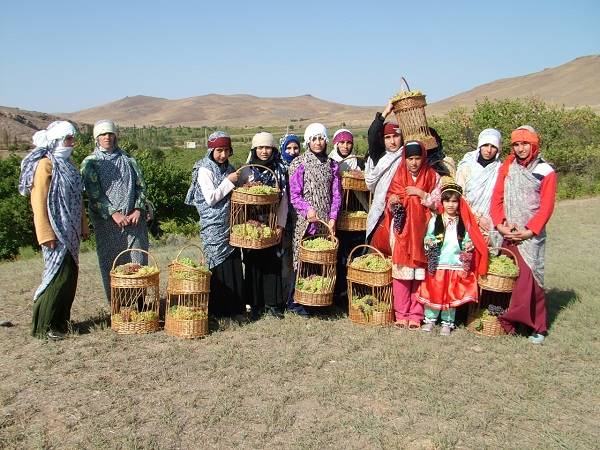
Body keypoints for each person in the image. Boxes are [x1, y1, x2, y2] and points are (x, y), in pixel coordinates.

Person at [19, 121, 88, 340]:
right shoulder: (45, 166)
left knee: (69, 276)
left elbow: (78, 198)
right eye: (69, 139)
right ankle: (44, 325)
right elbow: (38, 202)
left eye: (72, 139)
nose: (72, 143)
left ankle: (60, 322)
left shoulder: (69, 165)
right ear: (57, 141)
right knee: (56, 277)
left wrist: (83, 224)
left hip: (71, 230)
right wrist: (45, 233)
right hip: (56, 231)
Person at [490, 125, 557, 344]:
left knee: (532, 281)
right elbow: (497, 198)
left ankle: (538, 326)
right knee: (509, 278)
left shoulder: (546, 171)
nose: (520, 149)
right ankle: (512, 321)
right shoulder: (507, 167)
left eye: (525, 144)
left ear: (534, 145)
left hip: (530, 235)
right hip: (508, 231)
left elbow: (546, 206)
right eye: (516, 144)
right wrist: (500, 225)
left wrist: (529, 231)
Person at [371, 140, 441, 329]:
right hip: (402, 232)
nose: (414, 162)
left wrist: (420, 193)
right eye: (410, 158)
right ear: (405, 158)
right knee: (402, 273)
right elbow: (390, 198)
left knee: (420, 275)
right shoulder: (399, 175)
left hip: (424, 232)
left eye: (418, 158)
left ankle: (416, 315)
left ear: (423, 158)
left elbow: (439, 204)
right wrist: (393, 201)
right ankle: (401, 314)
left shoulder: (433, 176)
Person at [81, 120, 149, 303]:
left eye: (110, 134)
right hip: (108, 224)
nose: (107, 138)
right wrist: (113, 213)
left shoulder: (128, 159)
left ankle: (140, 305)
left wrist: (137, 209)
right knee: (113, 263)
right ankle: (118, 308)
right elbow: (94, 195)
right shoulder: (90, 163)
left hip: (134, 222)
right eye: (103, 134)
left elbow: (141, 187)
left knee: (138, 261)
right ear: (96, 138)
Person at [185, 131, 245, 320]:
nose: (223, 155)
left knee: (233, 263)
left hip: (230, 223)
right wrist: (229, 182)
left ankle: (236, 309)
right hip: (213, 225)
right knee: (217, 264)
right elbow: (210, 198)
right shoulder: (205, 169)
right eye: (219, 150)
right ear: (211, 149)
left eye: (227, 150)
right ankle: (219, 311)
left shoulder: (229, 168)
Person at [418, 183, 489, 335]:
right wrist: (428, 241)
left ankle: (447, 322)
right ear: (442, 202)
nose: (450, 204)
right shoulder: (435, 220)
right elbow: (428, 236)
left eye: (454, 201)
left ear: (459, 203)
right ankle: (430, 319)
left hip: (455, 263)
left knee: (451, 293)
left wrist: (468, 245)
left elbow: (467, 240)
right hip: (438, 262)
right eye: (447, 201)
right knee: (434, 290)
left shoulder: (463, 222)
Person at [287, 123, 342, 315]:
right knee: (303, 259)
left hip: (326, 221)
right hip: (306, 221)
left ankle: (319, 300)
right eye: (314, 139)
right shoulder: (299, 163)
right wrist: (307, 210)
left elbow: (336, 194)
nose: (318, 143)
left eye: (321, 138)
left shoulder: (332, 165)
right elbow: (294, 194)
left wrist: (333, 217)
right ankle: (299, 302)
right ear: (307, 141)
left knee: (322, 259)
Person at [238, 132, 288, 319]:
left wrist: (280, 225)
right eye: (260, 147)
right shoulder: (247, 171)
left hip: (272, 222)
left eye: (267, 147)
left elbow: (284, 200)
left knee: (272, 263)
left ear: (273, 149)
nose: (264, 151)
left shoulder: (280, 170)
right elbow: (240, 198)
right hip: (251, 226)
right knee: (253, 264)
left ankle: (273, 304)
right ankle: (255, 305)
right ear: (254, 149)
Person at [328, 128, 367, 310]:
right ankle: (339, 295)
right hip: (337, 215)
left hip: (356, 214)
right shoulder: (331, 162)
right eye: (342, 142)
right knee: (339, 258)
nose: (345, 146)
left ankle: (355, 293)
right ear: (336, 143)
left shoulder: (357, 162)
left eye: (349, 142)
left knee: (356, 256)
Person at [456, 128, 503, 246]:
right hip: (466, 219)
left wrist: (491, 224)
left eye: (493, 146)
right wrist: (477, 218)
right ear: (479, 146)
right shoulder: (466, 167)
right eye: (485, 145)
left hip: (491, 224)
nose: (489, 150)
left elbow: (502, 199)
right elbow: (459, 195)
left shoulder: (500, 170)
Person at [365, 109, 404, 243]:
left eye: (396, 136)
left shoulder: (407, 156)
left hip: (400, 209)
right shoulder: (380, 157)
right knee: (377, 244)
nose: (392, 141)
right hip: (380, 210)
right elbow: (372, 134)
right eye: (387, 137)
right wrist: (386, 112)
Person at [279, 134, 301, 301]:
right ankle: (283, 295)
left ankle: (294, 295)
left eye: (295, 148)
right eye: (288, 148)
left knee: (296, 257)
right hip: (281, 220)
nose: (292, 152)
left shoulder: (303, 167)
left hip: (299, 218)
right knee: (283, 257)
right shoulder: (278, 169)